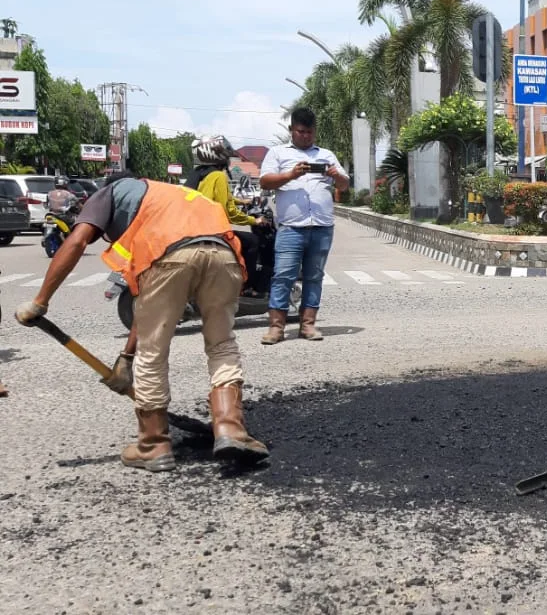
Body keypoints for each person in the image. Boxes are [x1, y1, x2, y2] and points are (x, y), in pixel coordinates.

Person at [14, 173, 269, 472]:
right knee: (222, 343)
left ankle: (153, 444)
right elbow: (143, 304)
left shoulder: (109, 193)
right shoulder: (170, 196)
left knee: (153, 352)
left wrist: (39, 302)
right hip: (224, 254)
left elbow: (78, 240)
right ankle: (230, 428)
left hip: (169, 254)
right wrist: (126, 357)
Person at [258, 108, 349, 345]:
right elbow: (265, 180)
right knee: (283, 276)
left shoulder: (326, 154)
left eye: (310, 132)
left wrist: (335, 174)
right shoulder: (278, 153)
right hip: (291, 228)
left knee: (314, 276)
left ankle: (308, 325)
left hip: (321, 227)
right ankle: (276, 328)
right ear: (292, 130)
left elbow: (345, 184)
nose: (306, 136)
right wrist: (291, 174)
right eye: (301, 131)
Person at [187, 134, 267, 296]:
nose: (228, 157)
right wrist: (255, 220)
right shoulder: (219, 176)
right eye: (224, 152)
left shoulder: (200, 174)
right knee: (253, 242)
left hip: (196, 230)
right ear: (216, 154)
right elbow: (228, 212)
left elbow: (216, 198)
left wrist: (243, 202)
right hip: (212, 233)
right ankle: (246, 286)